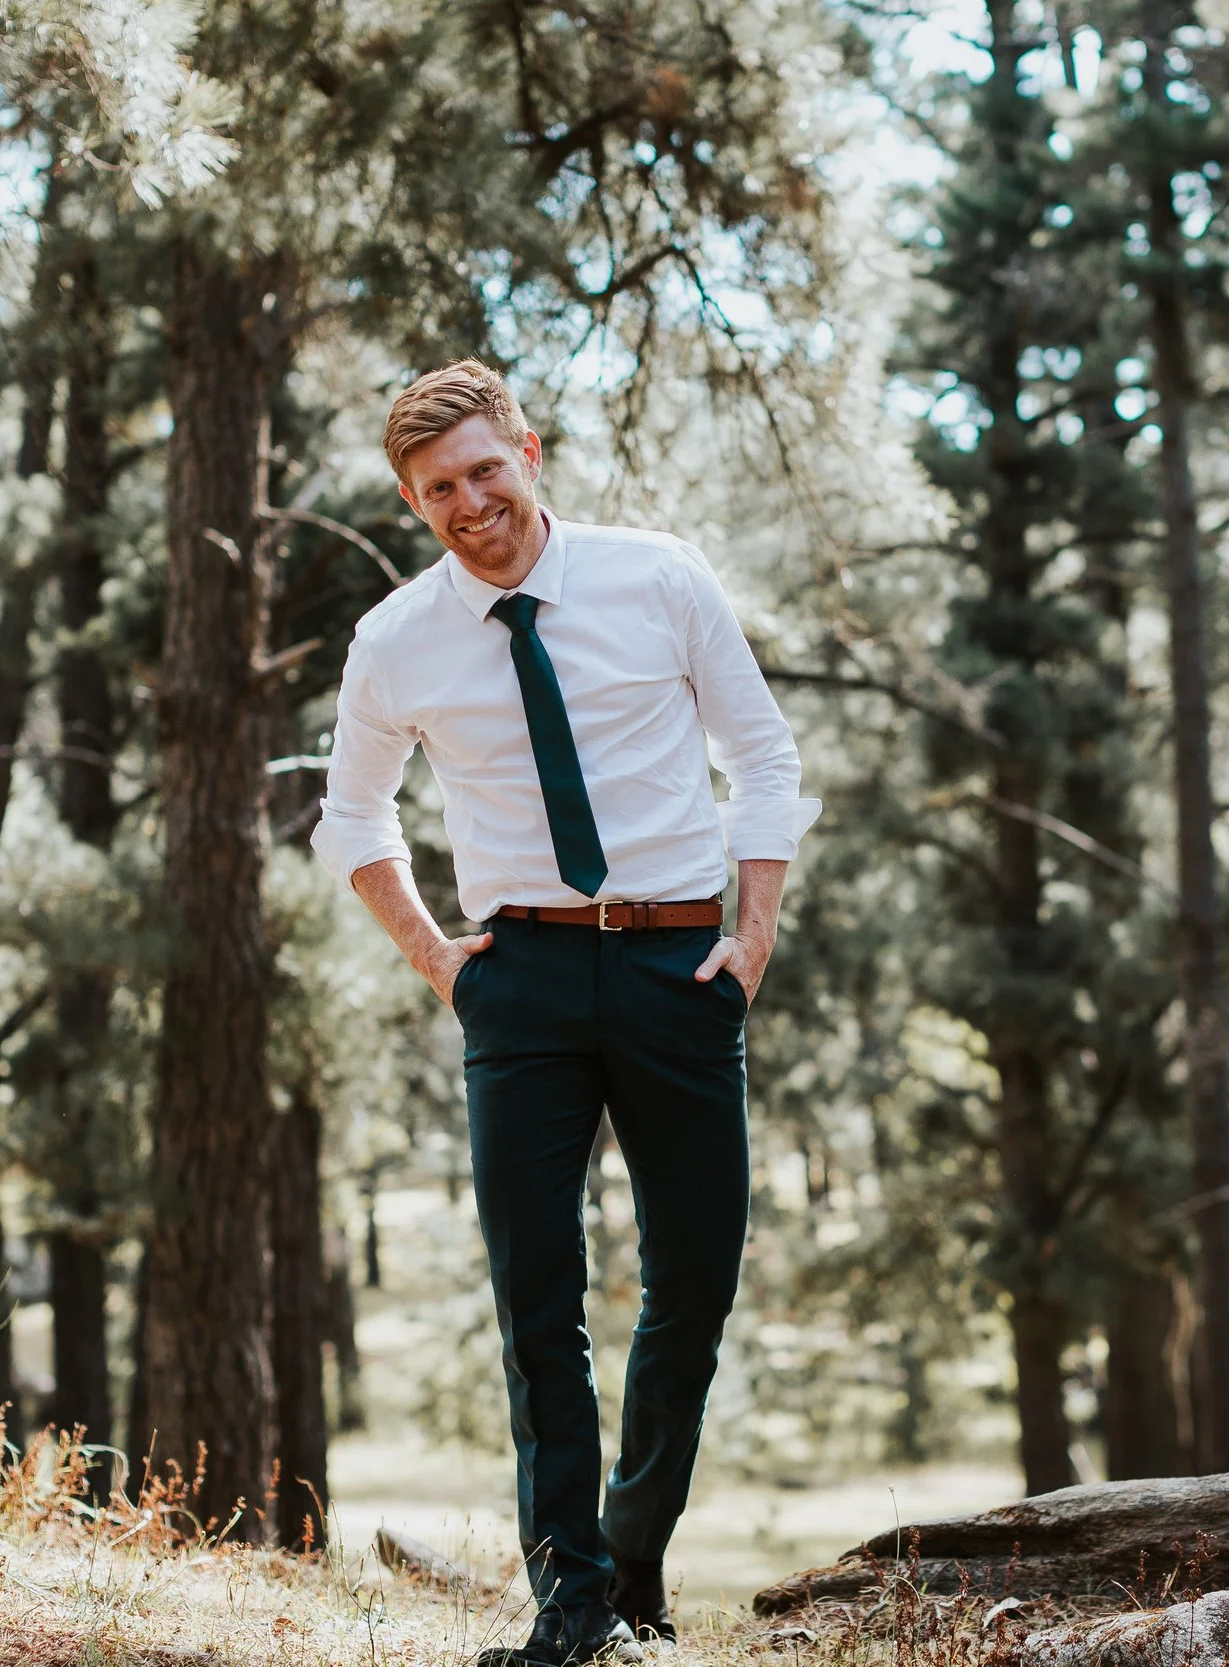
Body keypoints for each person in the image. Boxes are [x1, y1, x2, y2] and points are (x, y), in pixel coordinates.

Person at [312, 360, 820, 1666]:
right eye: (438, 490)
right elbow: (352, 820)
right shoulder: (399, 638)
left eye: (486, 469)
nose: (470, 502)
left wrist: (749, 937)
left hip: (676, 969)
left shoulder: (657, 576)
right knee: (540, 1303)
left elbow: (763, 755)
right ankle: (572, 1602)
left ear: (527, 450)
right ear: (414, 503)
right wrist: (443, 962)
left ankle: (634, 1553)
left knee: (693, 1281)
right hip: (521, 984)